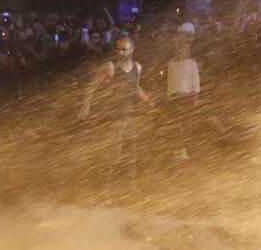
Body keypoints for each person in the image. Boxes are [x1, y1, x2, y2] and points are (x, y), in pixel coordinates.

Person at [78, 36, 154, 175]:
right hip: (113, 113)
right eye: (118, 50)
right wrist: (86, 107)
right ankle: (109, 185)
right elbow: (91, 87)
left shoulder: (138, 67)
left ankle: (131, 183)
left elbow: (135, 88)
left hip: (129, 111)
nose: (120, 53)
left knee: (132, 148)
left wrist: (148, 101)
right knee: (115, 150)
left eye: (124, 50)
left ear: (132, 49)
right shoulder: (110, 67)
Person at [166, 23, 200, 160]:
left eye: (184, 49)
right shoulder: (171, 64)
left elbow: (195, 82)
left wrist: (195, 96)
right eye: (179, 49)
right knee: (176, 124)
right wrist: (169, 95)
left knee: (186, 124)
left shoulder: (191, 63)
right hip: (175, 98)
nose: (181, 51)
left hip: (187, 97)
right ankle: (177, 148)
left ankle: (185, 148)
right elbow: (170, 81)